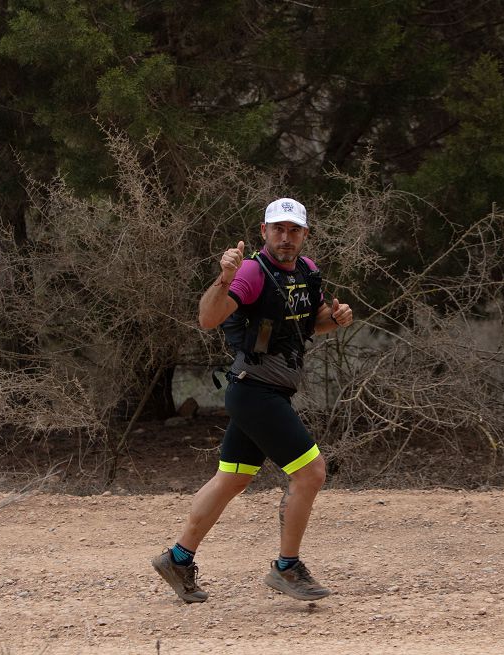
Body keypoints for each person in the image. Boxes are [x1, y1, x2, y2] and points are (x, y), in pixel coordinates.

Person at [152, 197, 354, 603]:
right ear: (264, 232)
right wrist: (224, 278)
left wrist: (335, 319)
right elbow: (208, 319)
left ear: (305, 235)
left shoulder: (307, 272)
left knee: (234, 478)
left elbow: (306, 326)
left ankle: (177, 558)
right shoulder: (250, 273)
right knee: (311, 473)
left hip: (265, 391)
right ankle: (287, 568)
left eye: (294, 230)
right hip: (255, 392)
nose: (286, 237)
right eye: (277, 229)